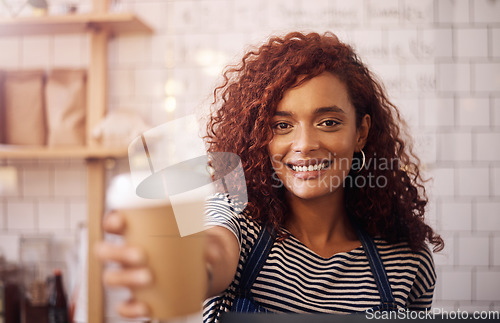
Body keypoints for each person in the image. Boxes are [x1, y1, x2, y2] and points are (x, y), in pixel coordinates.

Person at [96, 32, 444, 322]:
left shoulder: (407, 261)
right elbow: (214, 250)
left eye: (328, 122)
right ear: (260, 138)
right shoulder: (240, 222)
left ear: (361, 133)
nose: (305, 145)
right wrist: (183, 269)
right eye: (282, 125)